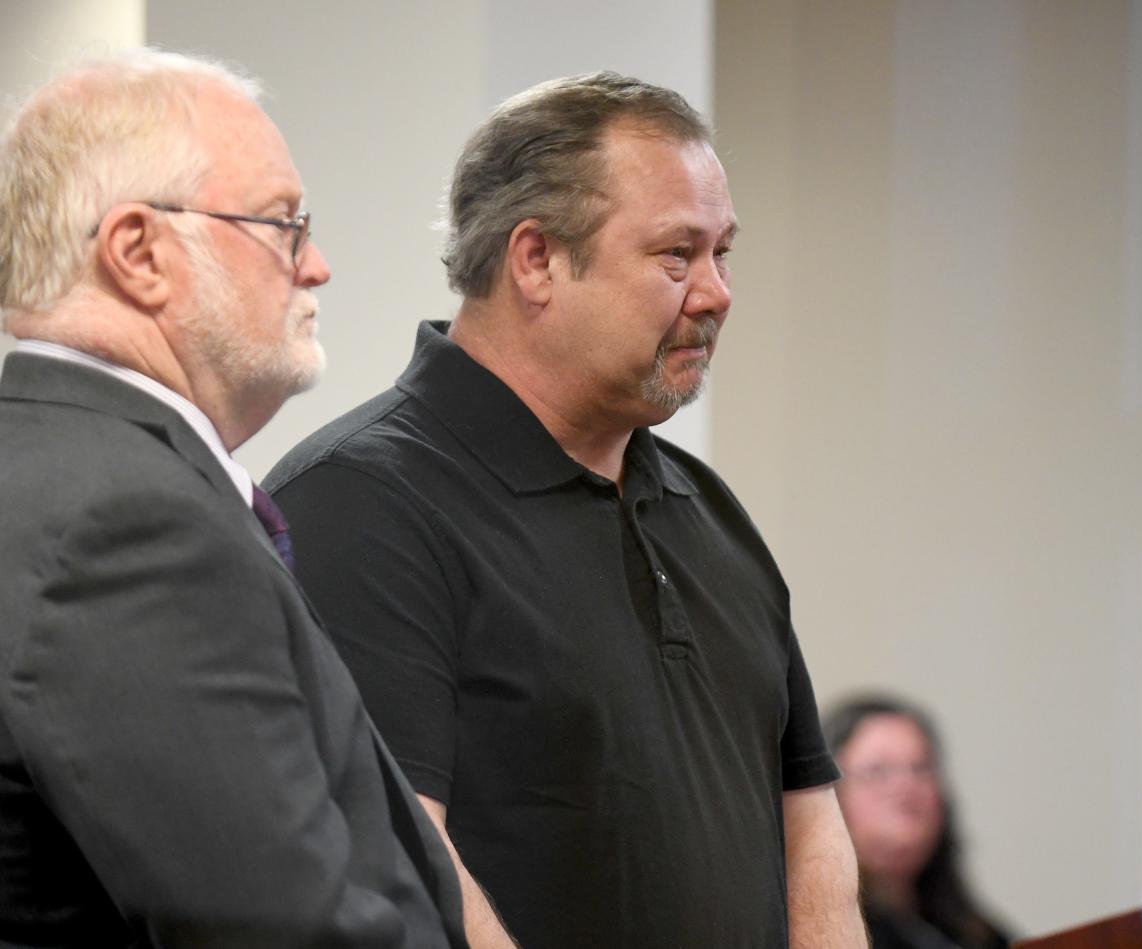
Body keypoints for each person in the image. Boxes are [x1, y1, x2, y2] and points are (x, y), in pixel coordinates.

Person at [265, 71, 866, 949]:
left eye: (721, 253)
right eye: (676, 255)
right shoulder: (358, 505)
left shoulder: (709, 510)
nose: (716, 292)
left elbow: (808, 824)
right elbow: (393, 859)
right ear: (536, 259)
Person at [0, 50, 465, 948]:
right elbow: (279, 928)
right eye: (284, 224)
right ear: (139, 253)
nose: (318, 265)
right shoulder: (127, 524)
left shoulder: (60, 465)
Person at [822, 695, 1011, 949]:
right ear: (831, 796)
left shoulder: (976, 933)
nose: (907, 787)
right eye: (878, 771)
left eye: (921, 768)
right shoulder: (816, 933)